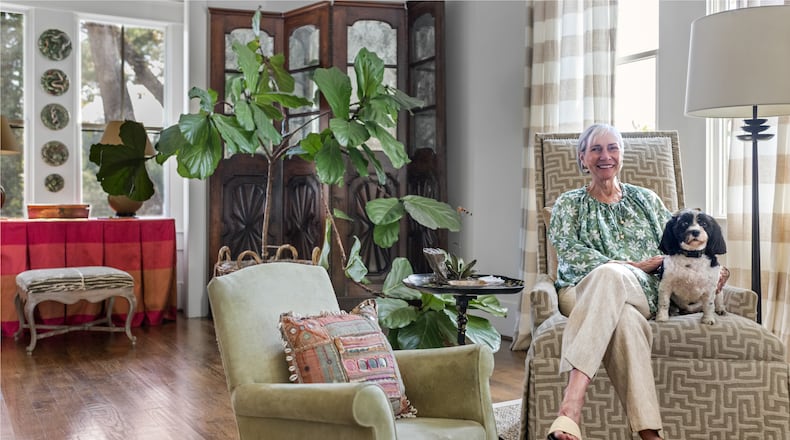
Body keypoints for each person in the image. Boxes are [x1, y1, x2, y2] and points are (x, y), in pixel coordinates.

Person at [546, 123, 668, 440]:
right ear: (582, 157)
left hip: (642, 290)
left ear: (622, 154)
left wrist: (711, 268)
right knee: (625, 320)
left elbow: (678, 243)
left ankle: (570, 407)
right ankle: (649, 433)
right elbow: (569, 253)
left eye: (613, 148)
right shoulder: (568, 204)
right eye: (596, 149)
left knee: (612, 276)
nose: (606, 156)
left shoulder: (647, 200)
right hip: (580, 290)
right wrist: (632, 265)